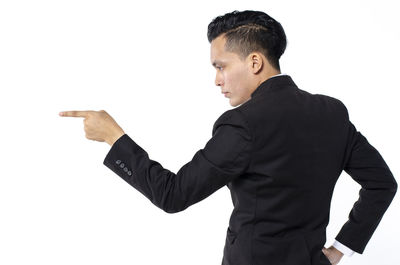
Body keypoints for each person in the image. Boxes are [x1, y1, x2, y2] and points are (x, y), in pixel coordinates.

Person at [59, 10, 397, 265]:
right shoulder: (331, 112)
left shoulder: (243, 124)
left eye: (220, 66)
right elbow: (382, 183)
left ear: (254, 62)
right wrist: (341, 249)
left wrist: (114, 138)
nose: (217, 80)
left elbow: (173, 195)